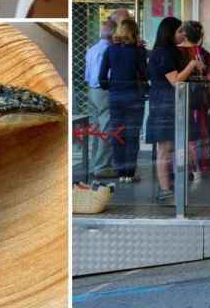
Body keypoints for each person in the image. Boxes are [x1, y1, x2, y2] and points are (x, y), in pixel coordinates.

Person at [146, 17, 199, 201]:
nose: (183, 34)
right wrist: (192, 65)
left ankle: (171, 186)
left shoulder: (168, 52)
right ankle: (165, 188)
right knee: (165, 147)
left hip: (167, 103)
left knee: (172, 146)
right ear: (170, 33)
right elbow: (176, 81)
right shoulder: (163, 53)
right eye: (179, 31)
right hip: (165, 104)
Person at [98, 19, 148, 183]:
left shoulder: (110, 51)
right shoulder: (138, 51)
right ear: (134, 32)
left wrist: (112, 86)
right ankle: (129, 173)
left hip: (115, 98)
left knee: (118, 135)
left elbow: (102, 79)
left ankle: (120, 172)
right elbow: (145, 73)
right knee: (132, 135)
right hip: (134, 97)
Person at [176, 21, 210, 180]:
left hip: (180, 96)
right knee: (201, 130)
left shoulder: (175, 52)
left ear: (184, 34)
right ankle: (202, 164)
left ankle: (184, 166)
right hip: (200, 97)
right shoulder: (205, 53)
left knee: (181, 132)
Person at [85, 20, 117, 178]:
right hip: (104, 91)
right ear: (113, 32)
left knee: (96, 129)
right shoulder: (109, 50)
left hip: (91, 90)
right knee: (107, 128)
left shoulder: (91, 49)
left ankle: (94, 164)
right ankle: (102, 166)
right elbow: (106, 76)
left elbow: (87, 74)